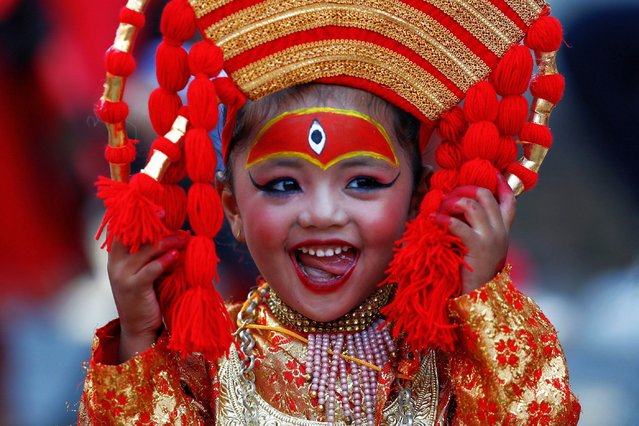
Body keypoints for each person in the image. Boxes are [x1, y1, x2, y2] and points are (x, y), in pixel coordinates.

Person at [79, 0, 581, 424]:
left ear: (417, 199)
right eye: (282, 186)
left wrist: (484, 305)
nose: (321, 213)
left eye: (362, 182)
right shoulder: (203, 364)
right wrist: (139, 335)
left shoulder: (452, 352)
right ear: (230, 205)